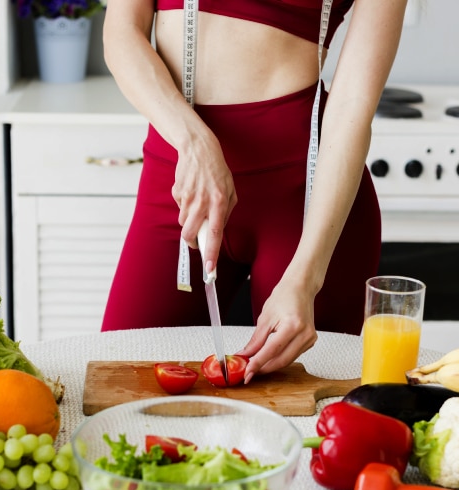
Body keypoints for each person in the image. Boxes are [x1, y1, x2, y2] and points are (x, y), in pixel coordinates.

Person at [100, 0, 408, 382]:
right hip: (181, 177)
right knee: (121, 381)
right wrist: (194, 141)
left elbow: (353, 103)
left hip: (307, 194)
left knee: (302, 420)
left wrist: (306, 279)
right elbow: (121, 33)